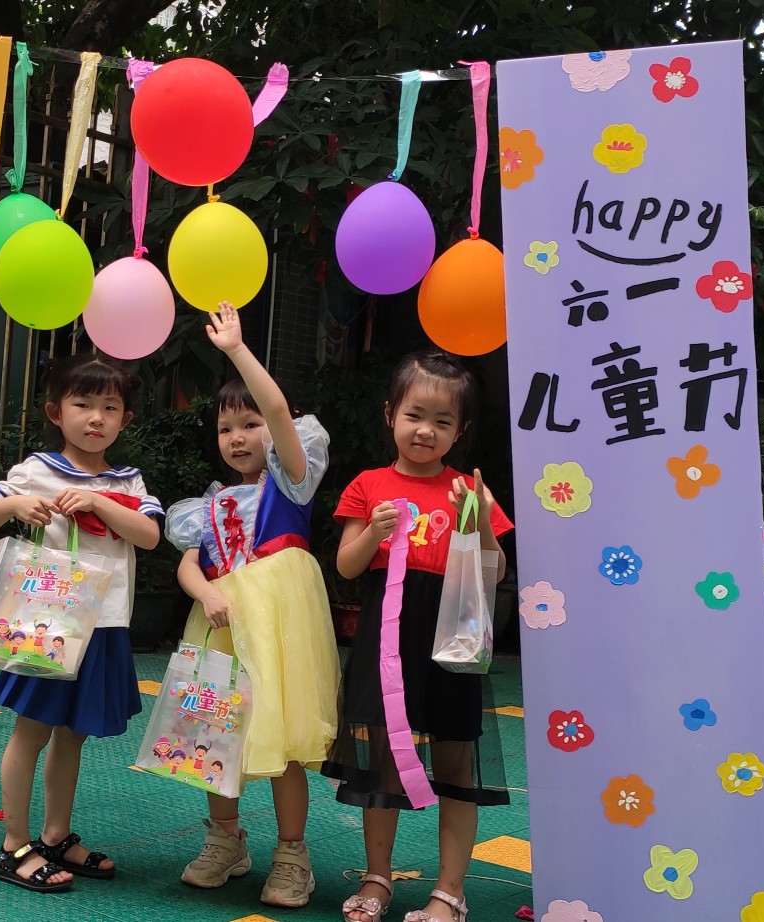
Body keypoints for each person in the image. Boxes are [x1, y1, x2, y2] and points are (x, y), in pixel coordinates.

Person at [324, 349, 513, 922]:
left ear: (461, 431)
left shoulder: (469, 490)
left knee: (456, 761)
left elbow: (495, 572)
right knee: (381, 757)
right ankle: (377, 878)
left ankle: (449, 892)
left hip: (451, 635)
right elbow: (347, 567)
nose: (425, 430)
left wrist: (478, 519)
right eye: (414, 415)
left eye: (442, 421)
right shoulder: (369, 485)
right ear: (390, 414)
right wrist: (373, 530)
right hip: (387, 638)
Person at [165, 302, 340, 909]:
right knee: (216, 733)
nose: (237, 437)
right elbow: (190, 563)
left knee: (283, 736)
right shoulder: (207, 505)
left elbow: (280, 411)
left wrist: (237, 350)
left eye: (249, 424)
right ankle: (225, 840)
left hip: (282, 627)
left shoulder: (291, 479)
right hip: (222, 625)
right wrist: (206, 590)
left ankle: (292, 855)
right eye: (225, 429)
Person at [0, 355, 163, 894]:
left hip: (105, 626)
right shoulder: (35, 470)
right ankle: (14, 844)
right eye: (83, 404)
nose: (96, 417)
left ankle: (55, 836)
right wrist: (19, 504)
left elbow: (149, 535)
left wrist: (99, 500)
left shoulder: (129, 481)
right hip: (47, 626)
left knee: (73, 735)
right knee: (31, 730)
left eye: (110, 408)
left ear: (125, 420)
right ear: (56, 412)